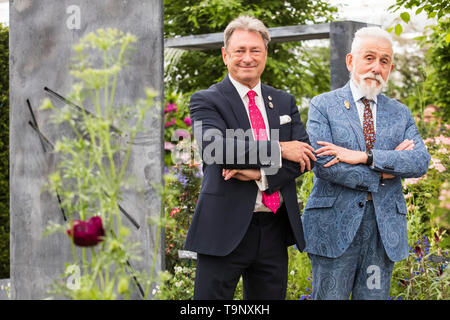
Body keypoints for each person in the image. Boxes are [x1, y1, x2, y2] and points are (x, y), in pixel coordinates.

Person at [184, 16, 316, 300]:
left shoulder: (283, 101)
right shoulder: (207, 99)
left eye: (255, 50)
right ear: (225, 55)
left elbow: (304, 156)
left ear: (265, 54)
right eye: (240, 50)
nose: (248, 58)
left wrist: (260, 174)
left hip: (274, 228)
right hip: (222, 229)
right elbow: (216, 149)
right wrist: (280, 149)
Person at [302, 26, 431, 300]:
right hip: (333, 228)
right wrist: (385, 173)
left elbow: (419, 161)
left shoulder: (400, 113)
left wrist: (366, 157)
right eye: (369, 58)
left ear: (390, 67)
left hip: (382, 233)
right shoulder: (323, 106)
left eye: (384, 61)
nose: (376, 67)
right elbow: (327, 165)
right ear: (351, 61)